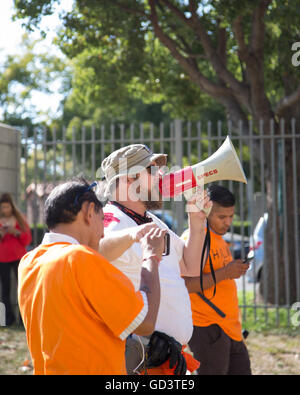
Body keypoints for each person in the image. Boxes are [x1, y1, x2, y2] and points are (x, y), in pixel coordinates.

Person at [18, 178, 165, 375]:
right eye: (102, 219)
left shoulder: (28, 262)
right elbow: (145, 322)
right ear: (88, 211)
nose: (103, 233)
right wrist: (151, 255)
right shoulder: (80, 258)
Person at [98, 144, 212, 375]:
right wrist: (133, 236)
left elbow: (191, 267)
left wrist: (197, 221)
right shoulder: (112, 220)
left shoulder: (152, 221)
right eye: (152, 170)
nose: (161, 175)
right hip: (139, 359)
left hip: (165, 357)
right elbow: (95, 252)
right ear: (129, 179)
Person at [181, 184, 252, 375]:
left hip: (230, 327)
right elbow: (186, 284)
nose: (228, 222)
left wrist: (233, 270)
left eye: (231, 216)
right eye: (222, 217)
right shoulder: (196, 238)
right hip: (208, 328)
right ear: (205, 213)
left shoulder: (218, 238)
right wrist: (226, 273)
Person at [0, 193, 31, 326]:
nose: (5, 210)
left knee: (22, 287)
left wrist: (16, 232)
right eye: (3, 208)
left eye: (7, 207)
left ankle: (24, 318)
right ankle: (8, 318)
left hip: (19, 257)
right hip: (3, 258)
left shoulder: (20, 220)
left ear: (11, 207)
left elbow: (27, 239)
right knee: (5, 290)